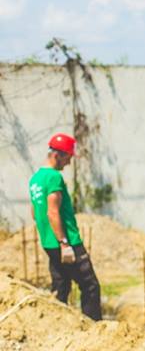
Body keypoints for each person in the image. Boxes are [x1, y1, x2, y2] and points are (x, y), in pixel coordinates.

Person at [28, 133, 102, 321]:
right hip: (67, 242)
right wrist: (64, 243)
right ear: (57, 155)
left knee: (61, 287)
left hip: (48, 242)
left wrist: (52, 238)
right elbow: (52, 212)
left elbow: (35, 212)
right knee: (90, 286)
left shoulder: (35, 179)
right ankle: (95, 329)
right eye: (68, 157)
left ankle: (57, 326)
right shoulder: (54, 177)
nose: (69, 162)